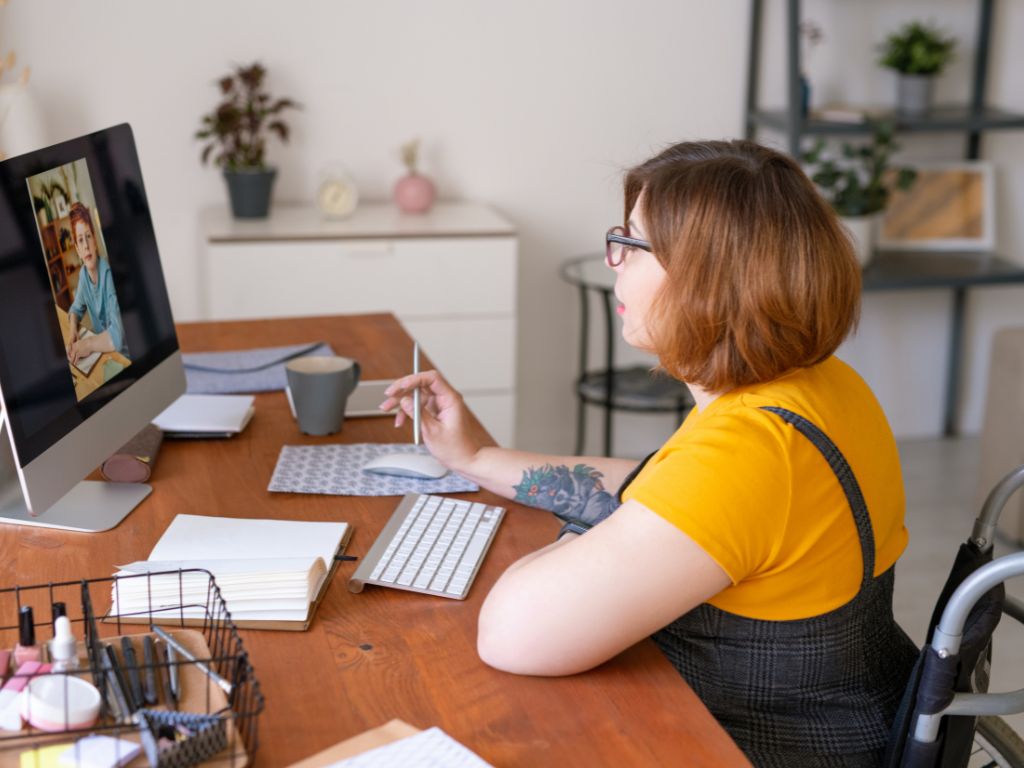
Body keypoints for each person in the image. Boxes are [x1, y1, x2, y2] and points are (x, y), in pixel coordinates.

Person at [381, 140, 918, 767]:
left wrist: (580, 536)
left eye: (633, 245)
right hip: (850, 726)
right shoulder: (817, 383)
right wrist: (476, 456)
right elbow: (661, 486)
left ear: (708, 279)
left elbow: (510, 635)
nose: (615, 262)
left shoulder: (750, 452)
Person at [65, 202, 129, 365]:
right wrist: (73, 329)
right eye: (80, 240)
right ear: (78, 250)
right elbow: (75, 309)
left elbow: (118, 336)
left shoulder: (108, 273)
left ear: (95, 240)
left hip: (124, 357)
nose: (86, 245)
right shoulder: (83, 276)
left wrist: (88, 344)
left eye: (88, 236)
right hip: (106, 355)